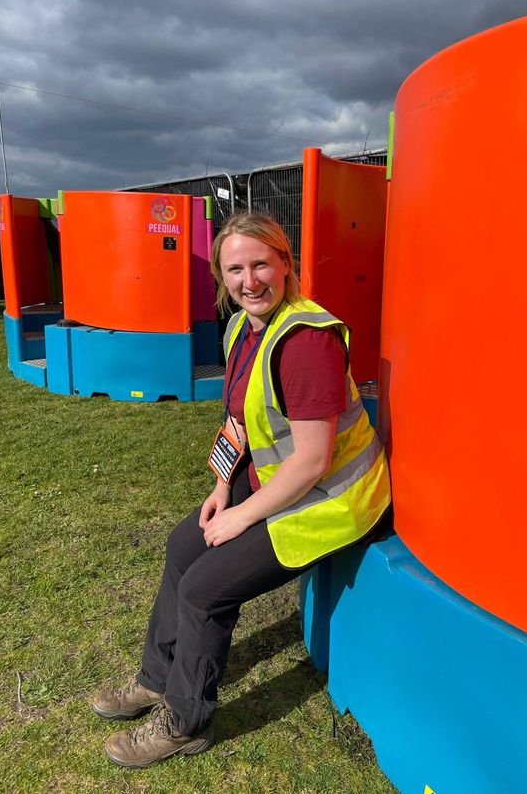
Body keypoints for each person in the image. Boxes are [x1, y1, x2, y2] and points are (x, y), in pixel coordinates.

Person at [91, 211, 391, 768]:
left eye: (260, 264)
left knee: (205, 589)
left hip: (334, 501)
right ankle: (156, 680)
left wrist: (241, 517)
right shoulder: (241, 328)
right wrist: (221, 485)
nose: (249, 280)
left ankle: (186, 723)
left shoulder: (304, 341)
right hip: (282, 487)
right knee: (183, 547)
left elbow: (313, 461)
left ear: (286, 264)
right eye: (235, 268)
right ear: (222, 278)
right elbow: (240, 419)